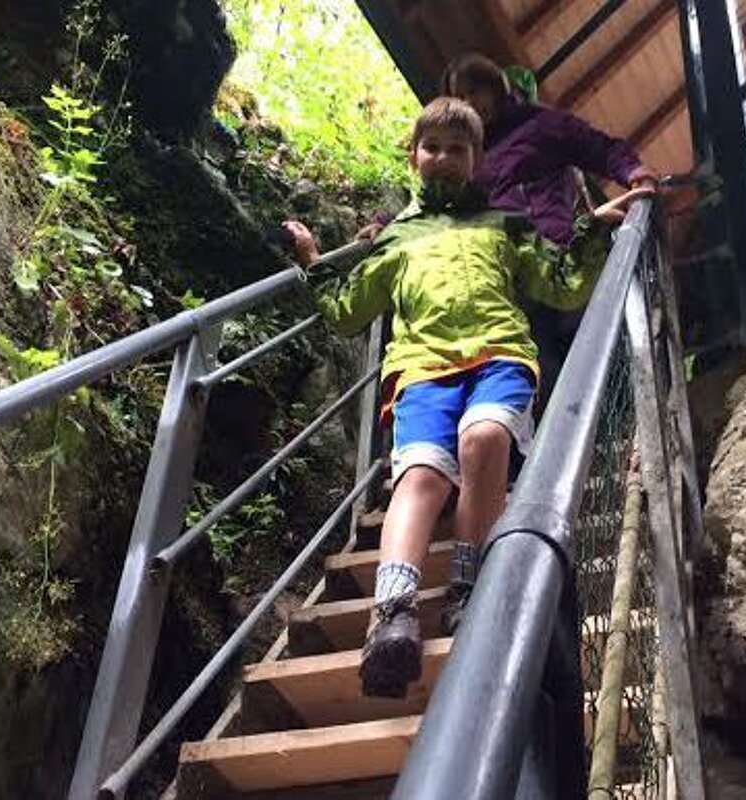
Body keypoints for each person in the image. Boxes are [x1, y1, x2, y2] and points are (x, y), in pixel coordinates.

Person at [285, 97, 650, 698]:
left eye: (458, 149)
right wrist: (314, 265)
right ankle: (393, 614)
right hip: (421, 369)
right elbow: (351, 313)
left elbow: (560, 287)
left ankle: (467, 588)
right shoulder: (397, 237)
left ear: (477, 160)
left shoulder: (505, 225)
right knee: (420, 477)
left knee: (485, 441)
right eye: (433, 147)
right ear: (414, 156)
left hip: (500, 355)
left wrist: (590, 231)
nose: (444, 158)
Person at [441, 53, 658, 409]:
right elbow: (434, 202)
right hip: (512, 273)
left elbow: (596, 146)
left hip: (558, 251)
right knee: (538, 364)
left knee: (587, 343)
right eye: (459, 96)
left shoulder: (539, 124)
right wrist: (382, 225)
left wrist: (633, 170)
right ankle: (569, 447)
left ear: (496, 88)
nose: (469, 103)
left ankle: (622, 422)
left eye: (474, 91)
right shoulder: (468, 155)